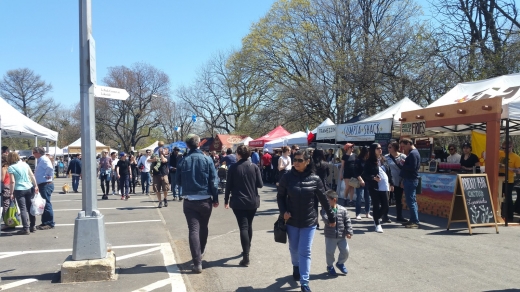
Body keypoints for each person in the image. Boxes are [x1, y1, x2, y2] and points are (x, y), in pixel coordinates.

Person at [277, 149, 336, 292]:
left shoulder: (315, 179)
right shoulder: (287, 177)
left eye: (300, 160)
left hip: (309, 221)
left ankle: (304, 282)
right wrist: (283, 211)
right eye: (295, 160)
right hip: (291, 220)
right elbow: (280, 196)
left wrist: (331, 217)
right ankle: (296, 265)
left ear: (307, 161)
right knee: (294, 248)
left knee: (305, 250)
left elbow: (324, 200)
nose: (296, 163)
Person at [176, 134, 219, 273]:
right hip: (205, 198)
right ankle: (201, 251)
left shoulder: (183, 160)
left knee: (193, 229)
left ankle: (197, 262)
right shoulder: (207, 159)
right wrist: (216, 197)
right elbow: (213, 180)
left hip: (189, 200)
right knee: (204, 226)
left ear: (188, 145)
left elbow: (178, 181)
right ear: (199, 144)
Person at [224, 145, 263, 266]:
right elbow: (260, 184)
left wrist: (226, 200)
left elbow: (228, 186)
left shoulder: (233, 168)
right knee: (248, 225)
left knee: (243, 227)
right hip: (252, 201)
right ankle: (247, 248)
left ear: (239, 154)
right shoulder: (254, 167)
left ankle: (246, 255)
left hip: (238, 201)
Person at [363, 143, 393, 233]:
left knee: (386, 205)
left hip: (385, 185)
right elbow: (365, 174)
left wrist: (391, 183)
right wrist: (373, 178)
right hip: (374, 186)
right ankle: (377, 223)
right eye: (378, 148)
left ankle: (376, 217)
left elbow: (389, 172)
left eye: (381, 148)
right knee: (376, 205)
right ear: (373, 150)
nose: (380, 150)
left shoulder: (384, 160)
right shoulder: (369, 162)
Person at [320, 190, 352, 276]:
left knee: (346, 251)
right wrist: (330, 221)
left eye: (327, 200)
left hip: (341, 236)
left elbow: (347, 221)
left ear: (334, 200)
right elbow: (325, 218)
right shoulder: (325, 209)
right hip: (330, 236)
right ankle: (330, 266)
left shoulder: (343, 210)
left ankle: (340, 263)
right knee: (330, 252)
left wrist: (349, 231)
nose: (325, 202)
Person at [7, 152, 39, 235]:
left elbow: (12, 181)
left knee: (23, 209)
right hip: (29, 187)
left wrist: (11, 193)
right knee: (30, 207)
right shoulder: (25, 164)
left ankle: (26, 228)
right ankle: (33, 225)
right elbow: (32, 175)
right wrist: (35, 185)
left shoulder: (11, 167)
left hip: (19, 189)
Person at [399, 138, 421, 229]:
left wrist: (403, 164)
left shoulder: (413, 154)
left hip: (411, 179)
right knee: (412, 200)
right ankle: (413, 219)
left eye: (404, 146)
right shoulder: (414, 153)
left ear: (408, 143)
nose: (403, 148)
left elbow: (413, 167)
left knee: (410, 201)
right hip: (411, 179)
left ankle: (414, 221)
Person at [32, 147, 55, 230]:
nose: (33, 154)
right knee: (44, 204)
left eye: (34, 152)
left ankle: (49, 222)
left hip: (45, 184)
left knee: (46, 203)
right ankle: (45, 222)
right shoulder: (41, 159)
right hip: (43, 184)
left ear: (38, 152)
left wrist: (47, 177)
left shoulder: (44, 160)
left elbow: (50, 168)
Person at [385, 141, 408, 223]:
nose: (388, 149)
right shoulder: (386, 157)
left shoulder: (403, 157)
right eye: (388, 147)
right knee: (387, 199)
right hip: (389, 182)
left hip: (399, 181)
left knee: (398, 200)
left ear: (395, 148)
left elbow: (405, 169)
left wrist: (403, 180)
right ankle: (385, 216)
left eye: (390, 147)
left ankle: (399, 216)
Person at [499, 139, 520, 221]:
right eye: (503, 148)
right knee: (498, 197)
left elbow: (518, 171)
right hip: (499, 179)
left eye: (508, 148)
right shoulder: (500, 153)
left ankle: (510, 216)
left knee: (508, 198)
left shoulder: (516, 157)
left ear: (512, 147)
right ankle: (500, 214)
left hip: (509, 180)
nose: (505, 150)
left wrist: (507, 167)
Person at [354, 146, 371, 220]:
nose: (369, 154)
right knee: (359, 197)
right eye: (368, 152)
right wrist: (360, 179)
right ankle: (358, 213)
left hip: (368, 181)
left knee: (368, 198)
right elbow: (355, 172)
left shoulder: (369, 160)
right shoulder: (358, 160)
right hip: (360, 181)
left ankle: (367, 212)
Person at [1, 156, 13, 231]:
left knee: (6, 205)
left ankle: (7, 223)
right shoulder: (11, 167)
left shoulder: (4, 168)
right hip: (11, 186)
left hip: (5, 186)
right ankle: (11, 221)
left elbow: (2, 179)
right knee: (10, 205)